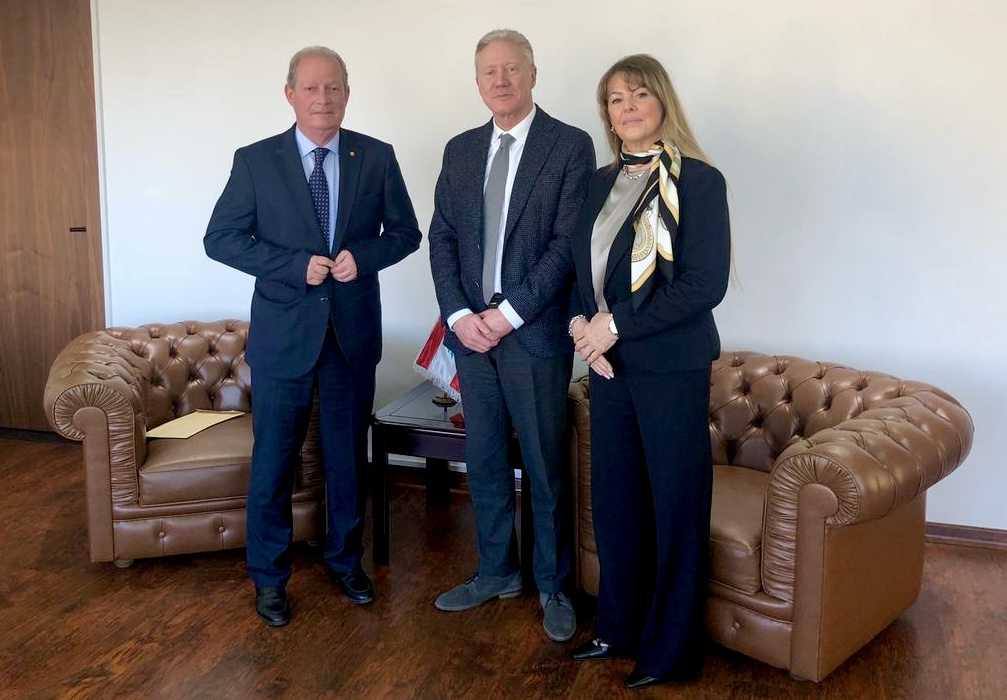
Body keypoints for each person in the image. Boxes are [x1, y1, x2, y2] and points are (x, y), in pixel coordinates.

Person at [204, 46, 421, 626]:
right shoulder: (256, 161)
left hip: (350, 337)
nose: (322, 98)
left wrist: (364, 257)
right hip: (284, 338)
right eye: (310, 88)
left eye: (333, 88)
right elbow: (220, 238)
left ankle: (345, 562)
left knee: (347, 458)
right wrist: (291, 265)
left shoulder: (376, 156)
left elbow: (406, 233)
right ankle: (269, 576)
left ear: (347, 93)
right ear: (290, 94)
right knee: (274, 460)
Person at [567, 54, 731, 688]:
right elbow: (585, 270)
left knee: (674, 508)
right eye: (615, 99)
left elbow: (702, 285)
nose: (628, 107)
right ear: (607, 115)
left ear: (662, 102)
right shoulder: (598, 182)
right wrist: (583, 329)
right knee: (616, 503)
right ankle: (618, 627)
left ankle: (670, 652)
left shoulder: (699, 182)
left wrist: (615, 327)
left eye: (639, 94)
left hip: (670, 367)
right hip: (609, 369)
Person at [427, 29, 595, 642]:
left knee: (546, 464)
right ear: (478, 82)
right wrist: (457, 315)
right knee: (486, 458)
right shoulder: (460, 149)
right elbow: (442, 237)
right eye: (489, 72)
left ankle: (553, 584)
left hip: (534, 335)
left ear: (532, 74)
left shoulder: (569, 145)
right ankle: (497, 570)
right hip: (471, 336)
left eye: (511, 69)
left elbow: (568, 245)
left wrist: (510, 313)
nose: (500, 80)